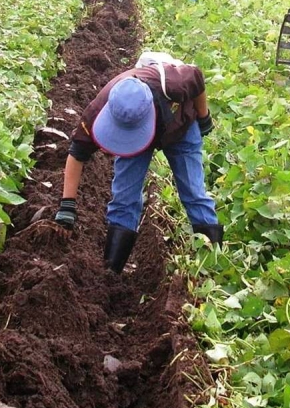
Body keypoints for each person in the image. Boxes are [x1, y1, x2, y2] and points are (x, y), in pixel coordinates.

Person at [52, 56, 222, 273]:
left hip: (180, 127)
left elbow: (197, 78)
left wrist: (203, 116)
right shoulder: (98, 110)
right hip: (133, 143)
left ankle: (211, 266)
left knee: (194, 193)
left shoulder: (172, 82)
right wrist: (67, 205)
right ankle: (111, 273)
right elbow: (77, 153)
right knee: (124, 198)